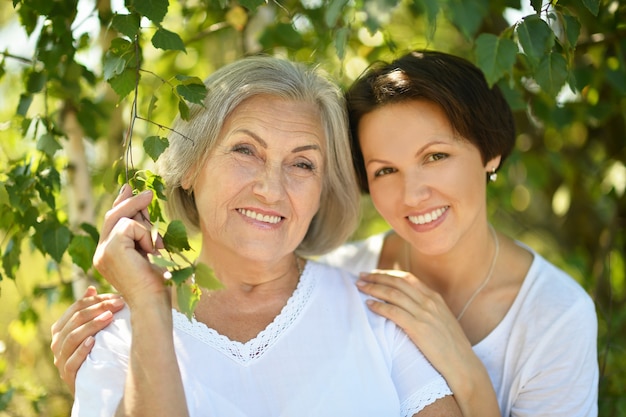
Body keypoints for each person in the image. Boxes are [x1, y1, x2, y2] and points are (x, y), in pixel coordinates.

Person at [52, 50, 599, 416]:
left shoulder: (383, 306)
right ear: (189, 168)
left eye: (303, 164)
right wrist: (147, 310)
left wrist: (468, 373)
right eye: (245, 150)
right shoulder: (122, 331)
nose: (271, 188)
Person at [320, 50, 599, 416]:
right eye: (386, 171)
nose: (413, 195)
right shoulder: (338, 276)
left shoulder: (556, 318)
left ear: (490, 151)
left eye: (435, 156)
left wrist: (466, 372)